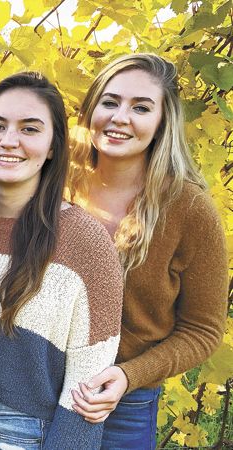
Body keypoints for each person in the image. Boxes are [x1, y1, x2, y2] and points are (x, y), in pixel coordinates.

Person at [0, 72, 123, 449]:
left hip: (20, 436)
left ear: (53, 146)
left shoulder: (84, 242)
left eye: (30, 128)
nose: (9, 141)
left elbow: (86, 392)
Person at [67, 53, 227, 449]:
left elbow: (203, 329)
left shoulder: (188, 209)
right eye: (110, 102)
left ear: (161, 123)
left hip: (124, 404)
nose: (121, 117)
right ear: (90, 110)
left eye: (141, 107)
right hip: (33, 383)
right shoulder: (55, 181)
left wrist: (129, 375)